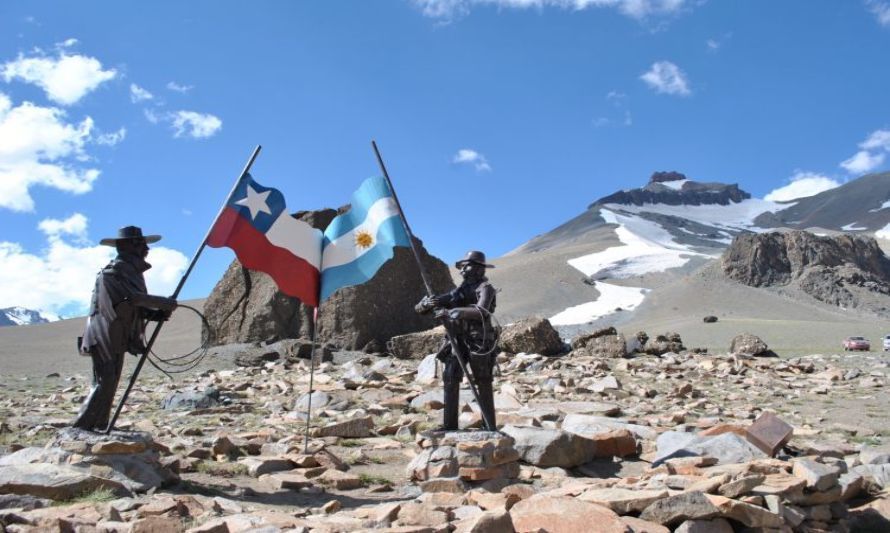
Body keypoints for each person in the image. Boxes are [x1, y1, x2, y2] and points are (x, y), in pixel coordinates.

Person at [73, 226, 177, 432]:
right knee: (105, 380)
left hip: (117, 336)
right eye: (140, 244)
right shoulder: (112, 273)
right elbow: (132, 298)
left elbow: (131, 306)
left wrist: (155, 314)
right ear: (127, 246)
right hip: (104, 336)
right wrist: (164, 303)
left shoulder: (132, 274)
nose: (146, 248)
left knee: (111, 381)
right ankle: (82, 426)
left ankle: (101, 423)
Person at [415, 250, 498, 431]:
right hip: (457, 339)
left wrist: (452, 312)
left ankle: (489, 426)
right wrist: (427, 304)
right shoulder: (460, 291)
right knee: (450, 378)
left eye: (465, 266)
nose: (462, 270)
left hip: (479, 340)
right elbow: (436, 303)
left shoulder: (486, 289)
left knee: (483, 381)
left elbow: (481, 311)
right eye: (461, 267)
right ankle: (449, 426)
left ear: (477, 268)